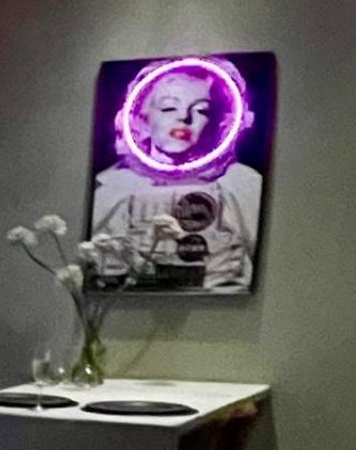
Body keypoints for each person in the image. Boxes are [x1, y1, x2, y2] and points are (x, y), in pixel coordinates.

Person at [89, 57, 262, 292]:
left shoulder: (241, 184)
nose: (184, 118)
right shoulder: (111, 187)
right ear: (143, 117)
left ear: (219, 121)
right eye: (169, 107)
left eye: (201, 110)